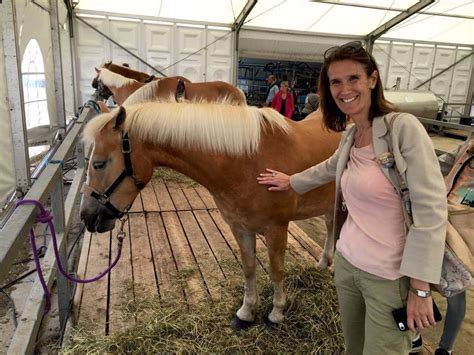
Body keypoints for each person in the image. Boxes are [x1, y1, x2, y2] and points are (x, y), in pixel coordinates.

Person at [257, 41, 447, 354]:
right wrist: (291, 181)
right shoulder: (351, 133)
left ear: (373, 79)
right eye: (336, 82)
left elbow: (431, 210)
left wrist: (421, 288)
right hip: (347, 266)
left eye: (353, 78)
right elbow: (330, 167)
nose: (345, 89)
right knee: (353, 348)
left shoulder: (402, 129)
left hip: (389, 276)